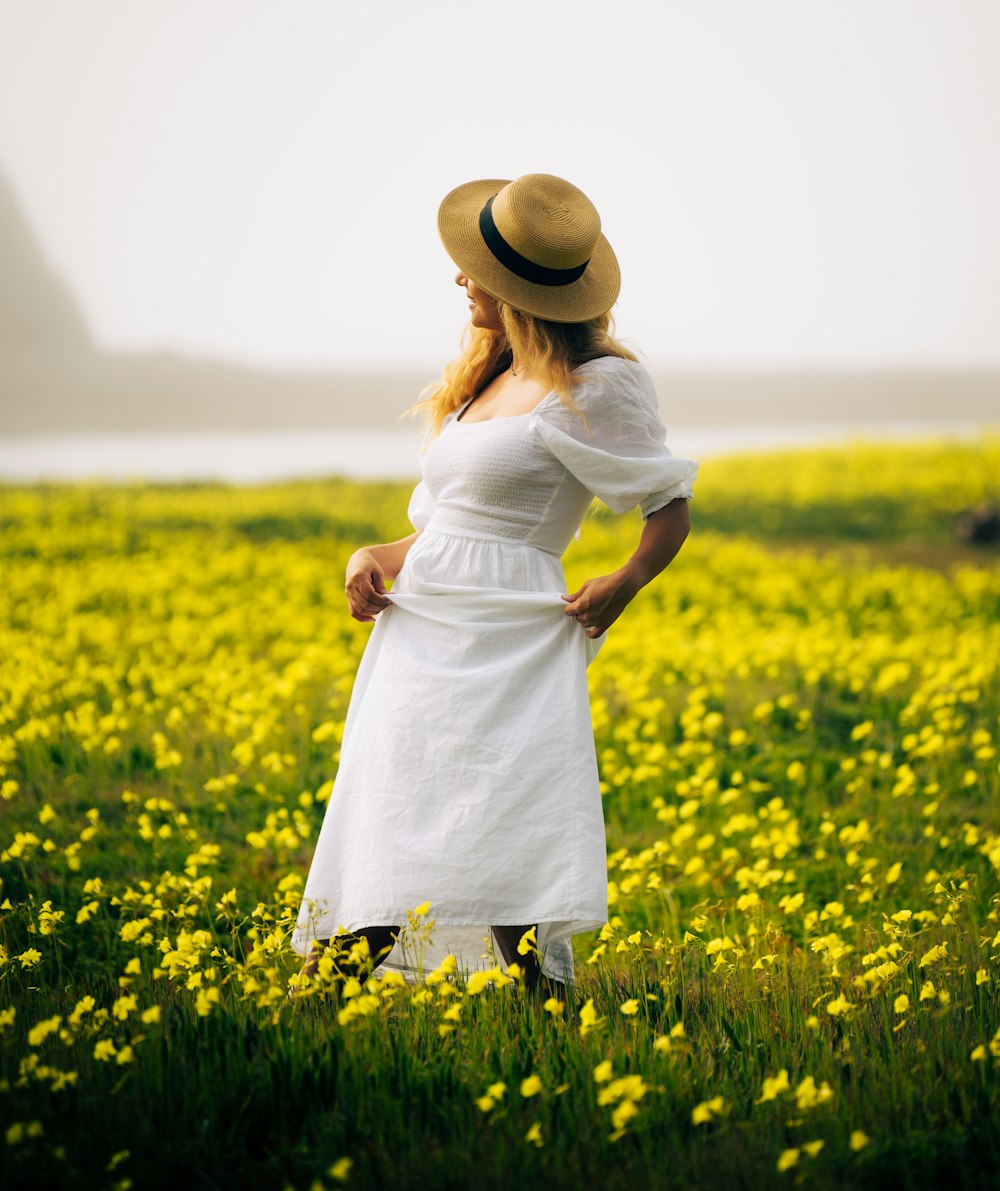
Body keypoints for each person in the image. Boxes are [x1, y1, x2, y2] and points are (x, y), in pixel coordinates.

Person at [289, 173, 697, 1001]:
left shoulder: (597, 385)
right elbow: (445, 525)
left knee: (502, 803)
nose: (460, 279)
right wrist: (374, 554)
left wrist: (625, 579)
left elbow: (669, 505)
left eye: (475, 267)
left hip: (512, 629)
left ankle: (537, 996)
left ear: (517, 284)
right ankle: (335, 984)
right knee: (398, 791)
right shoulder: (488, 373)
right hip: (424, 619)